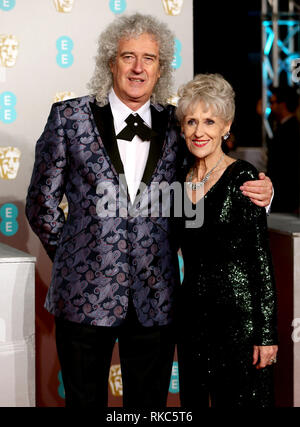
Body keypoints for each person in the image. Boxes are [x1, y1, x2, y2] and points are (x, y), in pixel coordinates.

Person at [25, 14, 273, 408]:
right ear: (111, 62)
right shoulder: (69, 118)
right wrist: (77, 255)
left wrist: (262, 190)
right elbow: (41, 204)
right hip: (84, 297)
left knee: (150, 409)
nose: (139, 68)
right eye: (128, 56)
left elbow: (208, 182)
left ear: (161, 69)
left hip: (156, 297)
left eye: (150, 59)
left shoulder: (178, 125)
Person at [175, 73, 278, 408]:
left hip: (239, 325)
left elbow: (260, 259)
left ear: (226, 126)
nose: (199, 131)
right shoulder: (180, 181)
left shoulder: (244, 177)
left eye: (209, 121)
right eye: (191, 121)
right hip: (193, 323)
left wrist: (266, 335)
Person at [267, 86, 300, 214]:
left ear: (283, 105)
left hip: (286, 200)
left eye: (273, 102)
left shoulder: (290, 130)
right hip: (282, 198)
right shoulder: (285, 127)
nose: (270, 107)